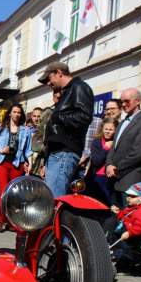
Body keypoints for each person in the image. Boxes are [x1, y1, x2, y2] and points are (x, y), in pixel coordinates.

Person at [37, 62, 94, 197]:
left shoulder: (79, 87)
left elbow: (85, 116)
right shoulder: (68, 91)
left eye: (49, 79)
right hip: (58, 152)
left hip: (65, 151)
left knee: (55, 199)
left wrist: (58, 117)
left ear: (59, 73)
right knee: (52, 198)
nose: (49, 83)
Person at [105, 88, 141, 208]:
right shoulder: (122, 123)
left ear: (138, 101)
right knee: (114, 218)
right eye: (121, 102)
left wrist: (116, 170)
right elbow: (114, 147)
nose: (123, 105)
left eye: (127, 101)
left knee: (128, 220)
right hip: (114, 180)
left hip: (130, 179)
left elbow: (138, 153)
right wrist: (109, 165)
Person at [0, 103, 33, 212]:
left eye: (19, 112)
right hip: (3, 163)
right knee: (3, 191)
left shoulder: (25, 130)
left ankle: (11, 219)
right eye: (14, 112)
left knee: (14, 193)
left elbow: (28, 150)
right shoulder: (1, 128)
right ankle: (1, 218)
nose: (16, 114)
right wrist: (2, 150)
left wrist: (30, 164)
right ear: (10, 113)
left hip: (17, 164)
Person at [89, 117, 119, 206]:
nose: (107, 132)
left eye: (111, 129)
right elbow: (96, 161)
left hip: (111, 178)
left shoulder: (117, 142)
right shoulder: (97, 142)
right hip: (99, 178)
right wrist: (106, 148)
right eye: (106, 129)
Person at [31, 90, 60, 178]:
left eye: (60, 92)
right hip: (41, 163)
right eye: (55, 92)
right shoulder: (47, 114)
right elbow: (36, 136)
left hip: (60, 162)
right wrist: (43, 148)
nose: (57, 95)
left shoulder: (70, 114)